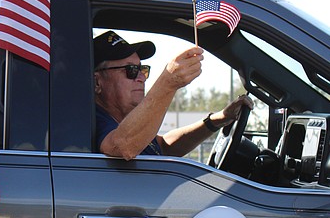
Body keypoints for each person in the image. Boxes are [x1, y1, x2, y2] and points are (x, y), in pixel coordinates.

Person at [93, 30, 253, 160]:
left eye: (142, 69)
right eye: (131, 70)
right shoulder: (92, 121)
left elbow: (164, 146)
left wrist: (217, 120)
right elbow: (122, 147)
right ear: (97, 82)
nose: (141, 77)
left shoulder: (126, 124)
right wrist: (168, 82)